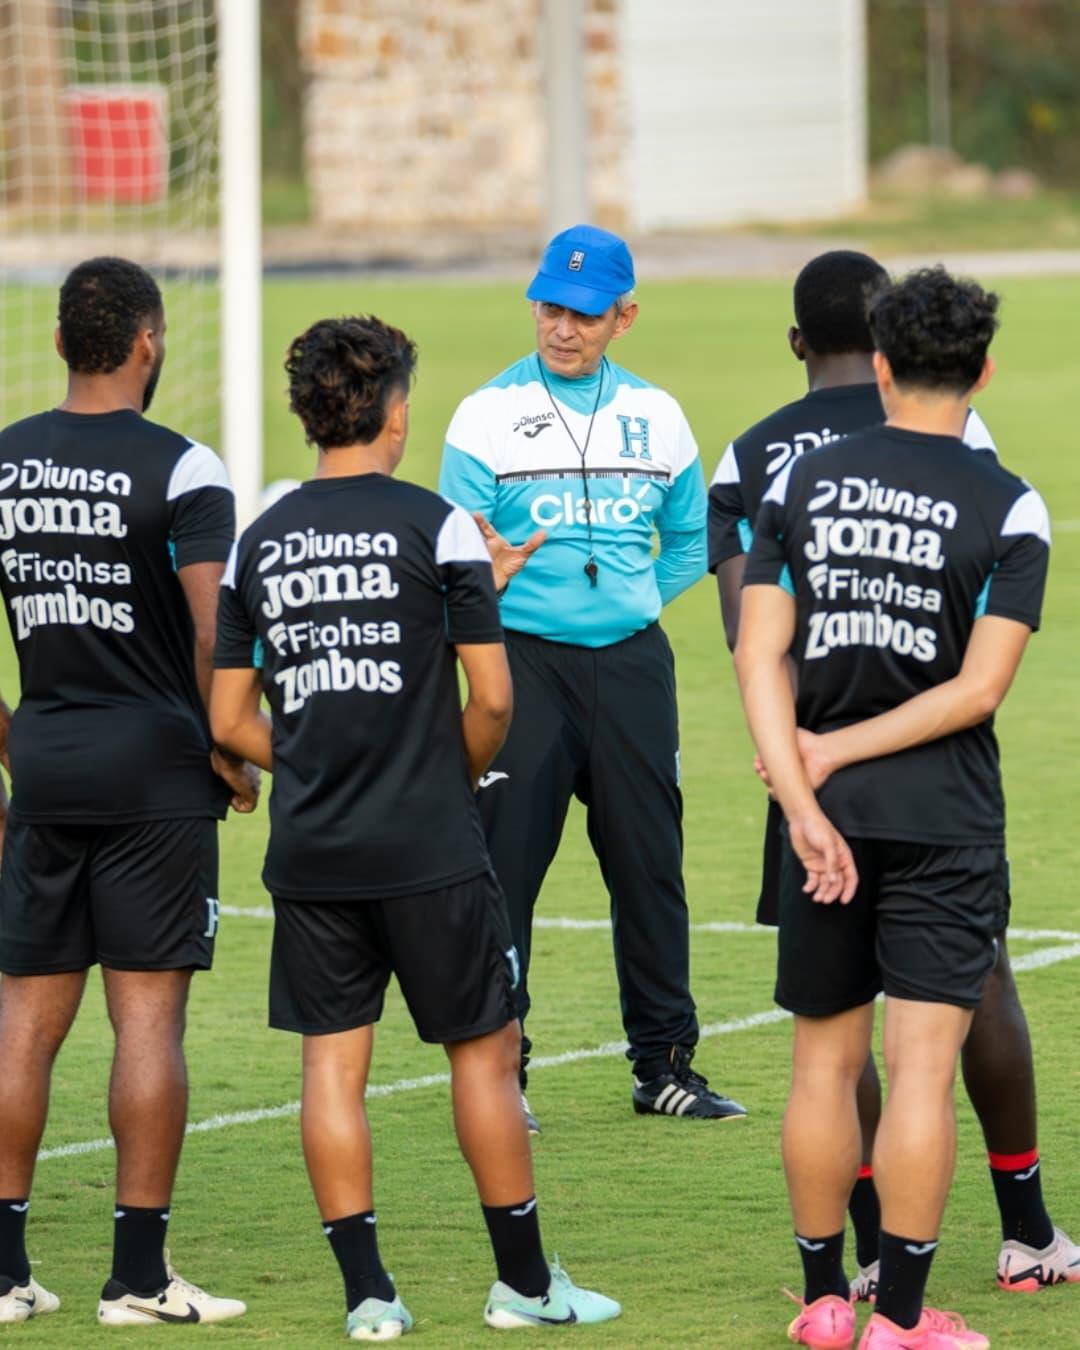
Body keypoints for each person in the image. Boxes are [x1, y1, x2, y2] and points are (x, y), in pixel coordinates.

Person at [210, 315, 620, 1341]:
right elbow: (494, 700)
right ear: (395, 413)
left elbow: (228, 719)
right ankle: (524, 1287)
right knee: (485, 1051)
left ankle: (368, 1299)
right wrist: (444, 777)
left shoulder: (258, 538)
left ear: (308, 415)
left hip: (313, 851)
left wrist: (318, 765)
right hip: (430, 844)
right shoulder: (437, 526)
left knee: (331, 1067)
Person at [713, 250, 1078, 1302]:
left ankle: (830, 1302)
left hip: (818, 816)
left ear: (880, 365)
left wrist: (802, 790)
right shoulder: (1011, 505)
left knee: (822, 1069)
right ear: (984, 373)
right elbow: (978, 691)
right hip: (941, 814)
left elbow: (756, 652)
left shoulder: (797, 481)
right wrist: (834, 753)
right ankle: (910, 1318)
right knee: (921, 1071)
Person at [438, 223, 744, 1127]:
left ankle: (665, 1067)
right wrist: (494, 586)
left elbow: (689, 539)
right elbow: (456, 553)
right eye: (548, 308)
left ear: (624, 317)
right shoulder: (484, 414)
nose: (561, 328)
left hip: (633, 667)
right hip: (521, 668)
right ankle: (502, 1072)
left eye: (582, 314)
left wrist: (634, 595)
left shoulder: (660, 415)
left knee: (651, 870)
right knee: (504, 872)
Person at [0, 257, 255, 1326]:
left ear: (62, 342)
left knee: (23, 1024)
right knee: (147, 1022)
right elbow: (211, 629)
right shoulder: (184, 466)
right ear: (149, 341)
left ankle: (4, 1272)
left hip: (46, 769)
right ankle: (139, 1278)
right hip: (156, 775)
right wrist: (231, 748)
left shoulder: (4, 460)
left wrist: (15, 746)